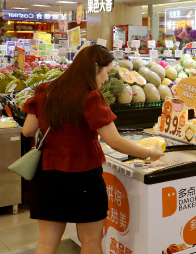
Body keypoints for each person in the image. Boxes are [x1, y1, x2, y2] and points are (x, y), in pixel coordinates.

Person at [20, 45, 164, 254]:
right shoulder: (90, 97)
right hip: (83, 177)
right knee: (90, 241)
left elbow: (27, 130)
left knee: (47, 242)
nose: (106, 78)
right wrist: (150, 153)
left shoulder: (45, 91)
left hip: (47, 176)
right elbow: (115, 141)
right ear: (96, 67)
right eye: (107, 71)